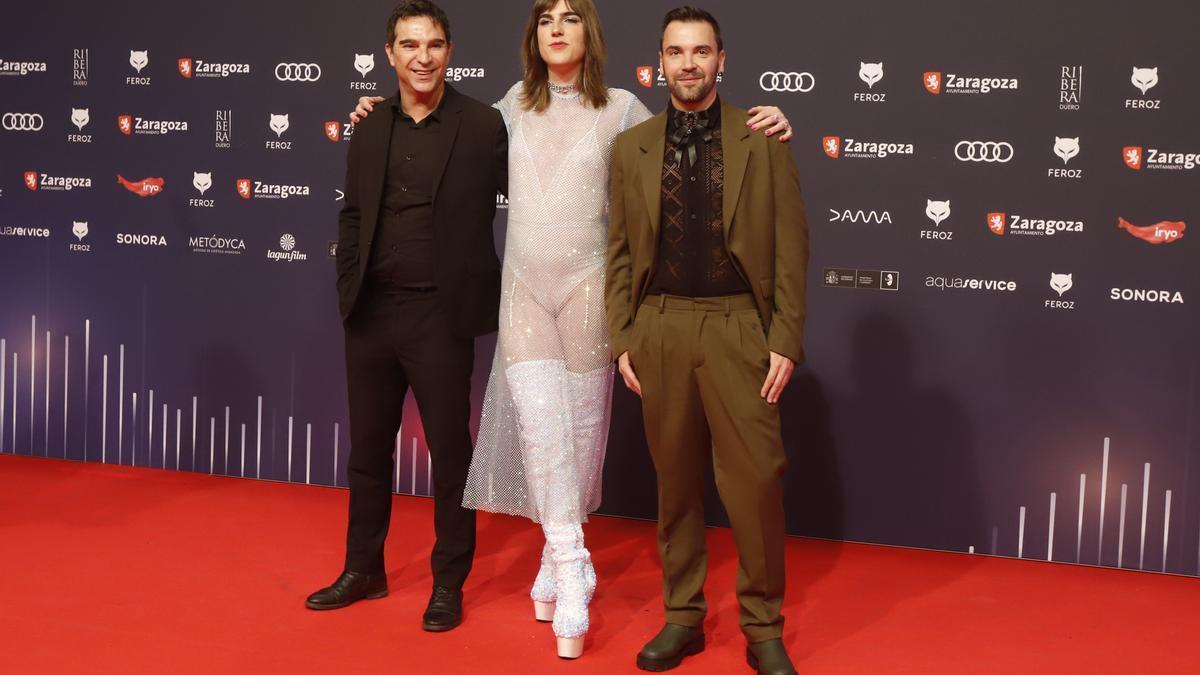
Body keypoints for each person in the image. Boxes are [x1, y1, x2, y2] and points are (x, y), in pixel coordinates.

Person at [351, 0, 792, 660]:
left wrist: (773, 120)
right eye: (545, 18)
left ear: (591, 33)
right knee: (539, 428)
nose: (557, 28)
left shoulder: (624, 111)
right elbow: (437, 129)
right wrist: (374, 111)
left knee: (581, 435)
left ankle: (559, 558)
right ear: (534, 36)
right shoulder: (504, 109)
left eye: (571, 16)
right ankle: (569, 559)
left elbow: (689, 137)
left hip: (591, 290)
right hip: (522, 291)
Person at [605, 7, 808, 674]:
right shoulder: (631, 147)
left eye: (700, 51)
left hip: (738, 328)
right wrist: (623, 336)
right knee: (675, 484)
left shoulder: (763, 137)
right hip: (659, 324)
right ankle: (683, 615)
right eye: (675, 52)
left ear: (722, 59)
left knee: (754, 482)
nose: (687, 63)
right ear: (658, 63)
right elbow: (620, 253)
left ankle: (762, 624)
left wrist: (784, 336)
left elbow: (790, 248)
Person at [304, 0, 508, 636]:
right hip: (371, 313)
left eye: (435, 44)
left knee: (451, 454)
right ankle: (363, 568)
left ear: (450, 52)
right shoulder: (368, 125)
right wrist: (348, 289)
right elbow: (353, 214)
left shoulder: (485, 125)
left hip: (439, 316)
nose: (423, 56)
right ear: (389, 54)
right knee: (366, 451)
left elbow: (554, 168)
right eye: (410, 45)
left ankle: (449, 580)